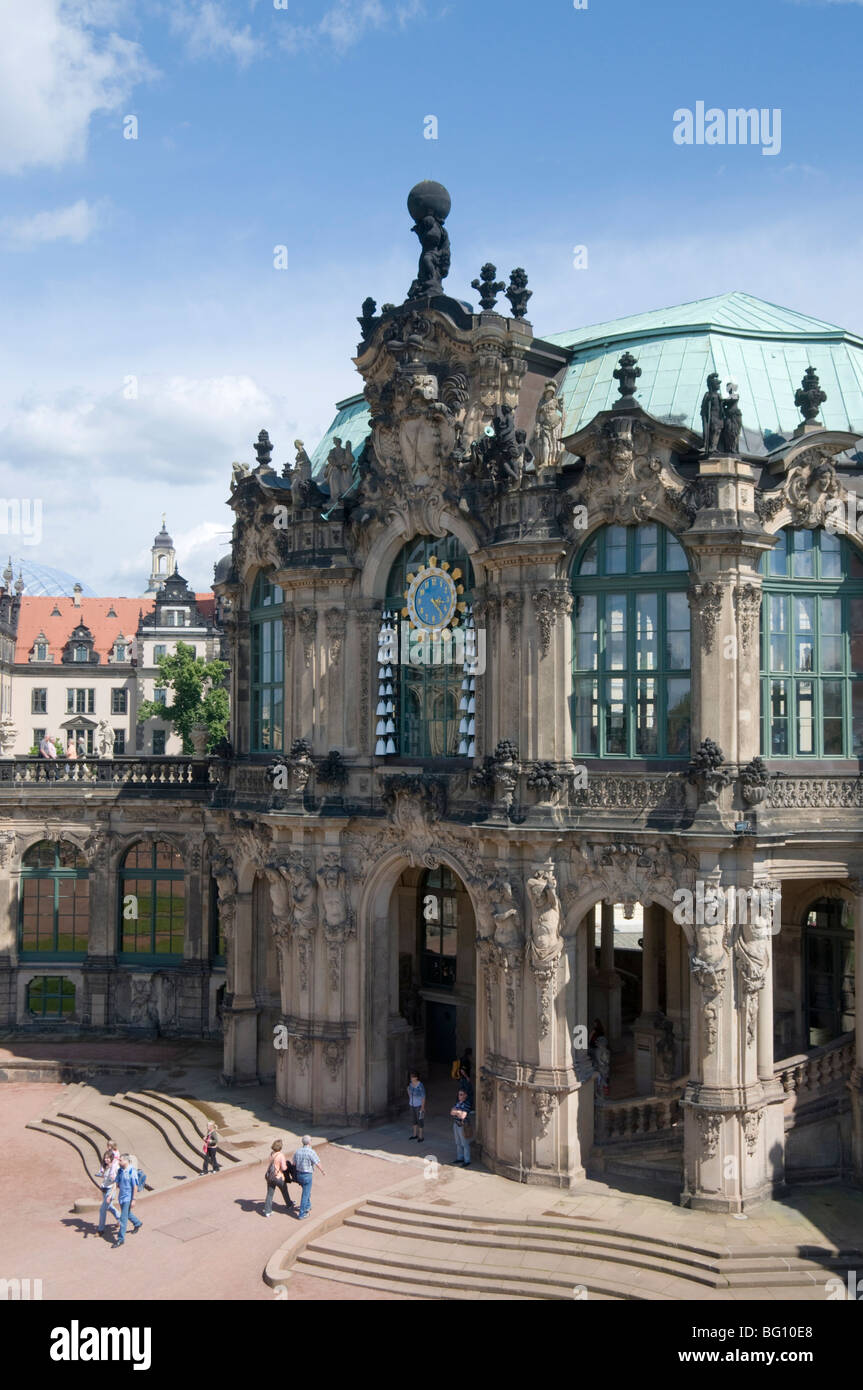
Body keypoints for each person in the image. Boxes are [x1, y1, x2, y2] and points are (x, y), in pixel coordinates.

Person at [292, 1135, 326, 1219]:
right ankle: (302, 1214)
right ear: (309, 1142)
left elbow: (294, 1163)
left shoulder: (297, 1151)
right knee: (305, 1194)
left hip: (299, 1175)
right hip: (307, 1175)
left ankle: (307, 1206)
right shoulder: (311, 1152)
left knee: (306, 1191)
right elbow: (317, 1162)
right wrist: (322, 1171)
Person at [112, 1155, 142, 1247]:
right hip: (121, 1197)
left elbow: (135, 1186)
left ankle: (121, 1239)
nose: (119, 1162)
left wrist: (133, 1199)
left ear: (126, 1161)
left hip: (128, 1198)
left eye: (120, 1160)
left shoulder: (131, 1171)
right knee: (127, 1213)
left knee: (123, 1218)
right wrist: (111, 1194)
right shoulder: (120, 1171)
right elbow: (116, 1183)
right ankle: (137, 1223)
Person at [263, 1138, 296, 1217]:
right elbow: (284, 1168)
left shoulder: (271, 1154)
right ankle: (289, 1204)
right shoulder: (281, 1155)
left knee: (270, 1194)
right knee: (284, 1190)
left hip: (270, 1176)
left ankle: (267, 1211)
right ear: (280, 1147)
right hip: (278, 1176)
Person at [96, 1146, 121, 1236]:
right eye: (105, 1158)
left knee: (102, 1209)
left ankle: (100, 1230)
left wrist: (110, 1195)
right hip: (104, 1188)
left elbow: (116, 1181)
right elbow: (104, 1176)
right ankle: (120, 1219)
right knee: (109, 1206)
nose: (106, 1159)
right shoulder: (105, 1166)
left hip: (111, 1190)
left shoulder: (115, 1168)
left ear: (111, 1158)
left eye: (107, 1158)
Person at [450, 1088, 471, 1167]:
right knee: (458, 1142)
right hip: (456, 1124)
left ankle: (467, 1160)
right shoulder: (458, 1103)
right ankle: (460, 1157)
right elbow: (451, 1112)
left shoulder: (467, 1104)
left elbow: (463, 1116)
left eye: (461, 1094)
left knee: (464, 1143)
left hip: (462, 1126)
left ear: (465, 1095)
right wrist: (458, 1112)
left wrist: (457, 1112)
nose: (459, 1096)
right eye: (459, 1094)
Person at [407, 1071, 426, 1142]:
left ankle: (421, 1136)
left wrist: (423, 1107)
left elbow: (423, 1096)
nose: (411, 1078)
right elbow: (408, 1090)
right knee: (413, 1120)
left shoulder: (420, 1085)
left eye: (413, 1077)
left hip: (419, 1105)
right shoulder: (411, 1084)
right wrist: (410, 1098)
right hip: (412, 1104)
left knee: (420, 1120)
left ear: (416, 1078)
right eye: (411, 1076)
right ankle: (414, 1134)